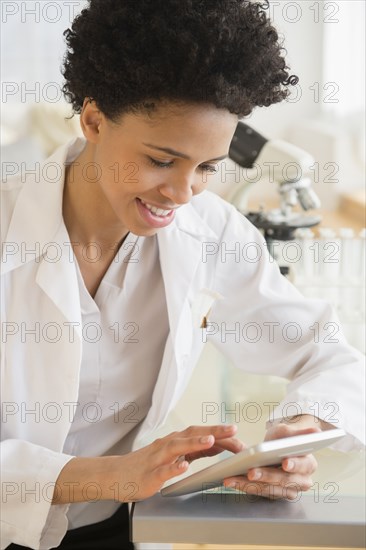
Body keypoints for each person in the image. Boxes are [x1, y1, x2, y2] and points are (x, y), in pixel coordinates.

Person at [1, 0, 364, 549]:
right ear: (94, 120)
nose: (183, 193)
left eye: (208, 167)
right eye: (161, 160)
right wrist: (112, 474)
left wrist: (302, 430)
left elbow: (327, 352)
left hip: (119, 529)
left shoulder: (210, 232)